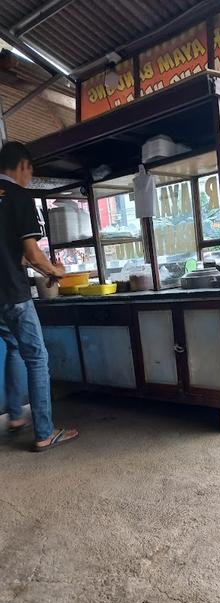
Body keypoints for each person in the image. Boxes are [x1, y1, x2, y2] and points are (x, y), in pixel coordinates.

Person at [0, 141, 78, 452]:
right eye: (30, 171)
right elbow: (31, 254)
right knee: (38, 358)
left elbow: (13, 254)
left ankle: (17, 417)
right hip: (14, 295)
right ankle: (44, 432)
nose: (29, 178)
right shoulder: (19, 197)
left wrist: (36, 264)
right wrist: (55, 272)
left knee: (15, 348)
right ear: (22, 166)